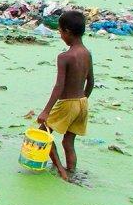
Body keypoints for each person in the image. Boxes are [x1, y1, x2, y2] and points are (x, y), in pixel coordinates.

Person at [37, 10, 94, 181]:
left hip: (68, 103)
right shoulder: (87, 53)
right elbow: (91, 81)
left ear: (67, 31)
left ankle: (61, 171)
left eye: (60, 32)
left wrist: (46, 111)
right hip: (82, 102)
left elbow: (59, 86)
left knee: (43, 133)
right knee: (68, 142)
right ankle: (72, 171)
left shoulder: (65, 57)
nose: (61, 35)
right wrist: (82, 100)